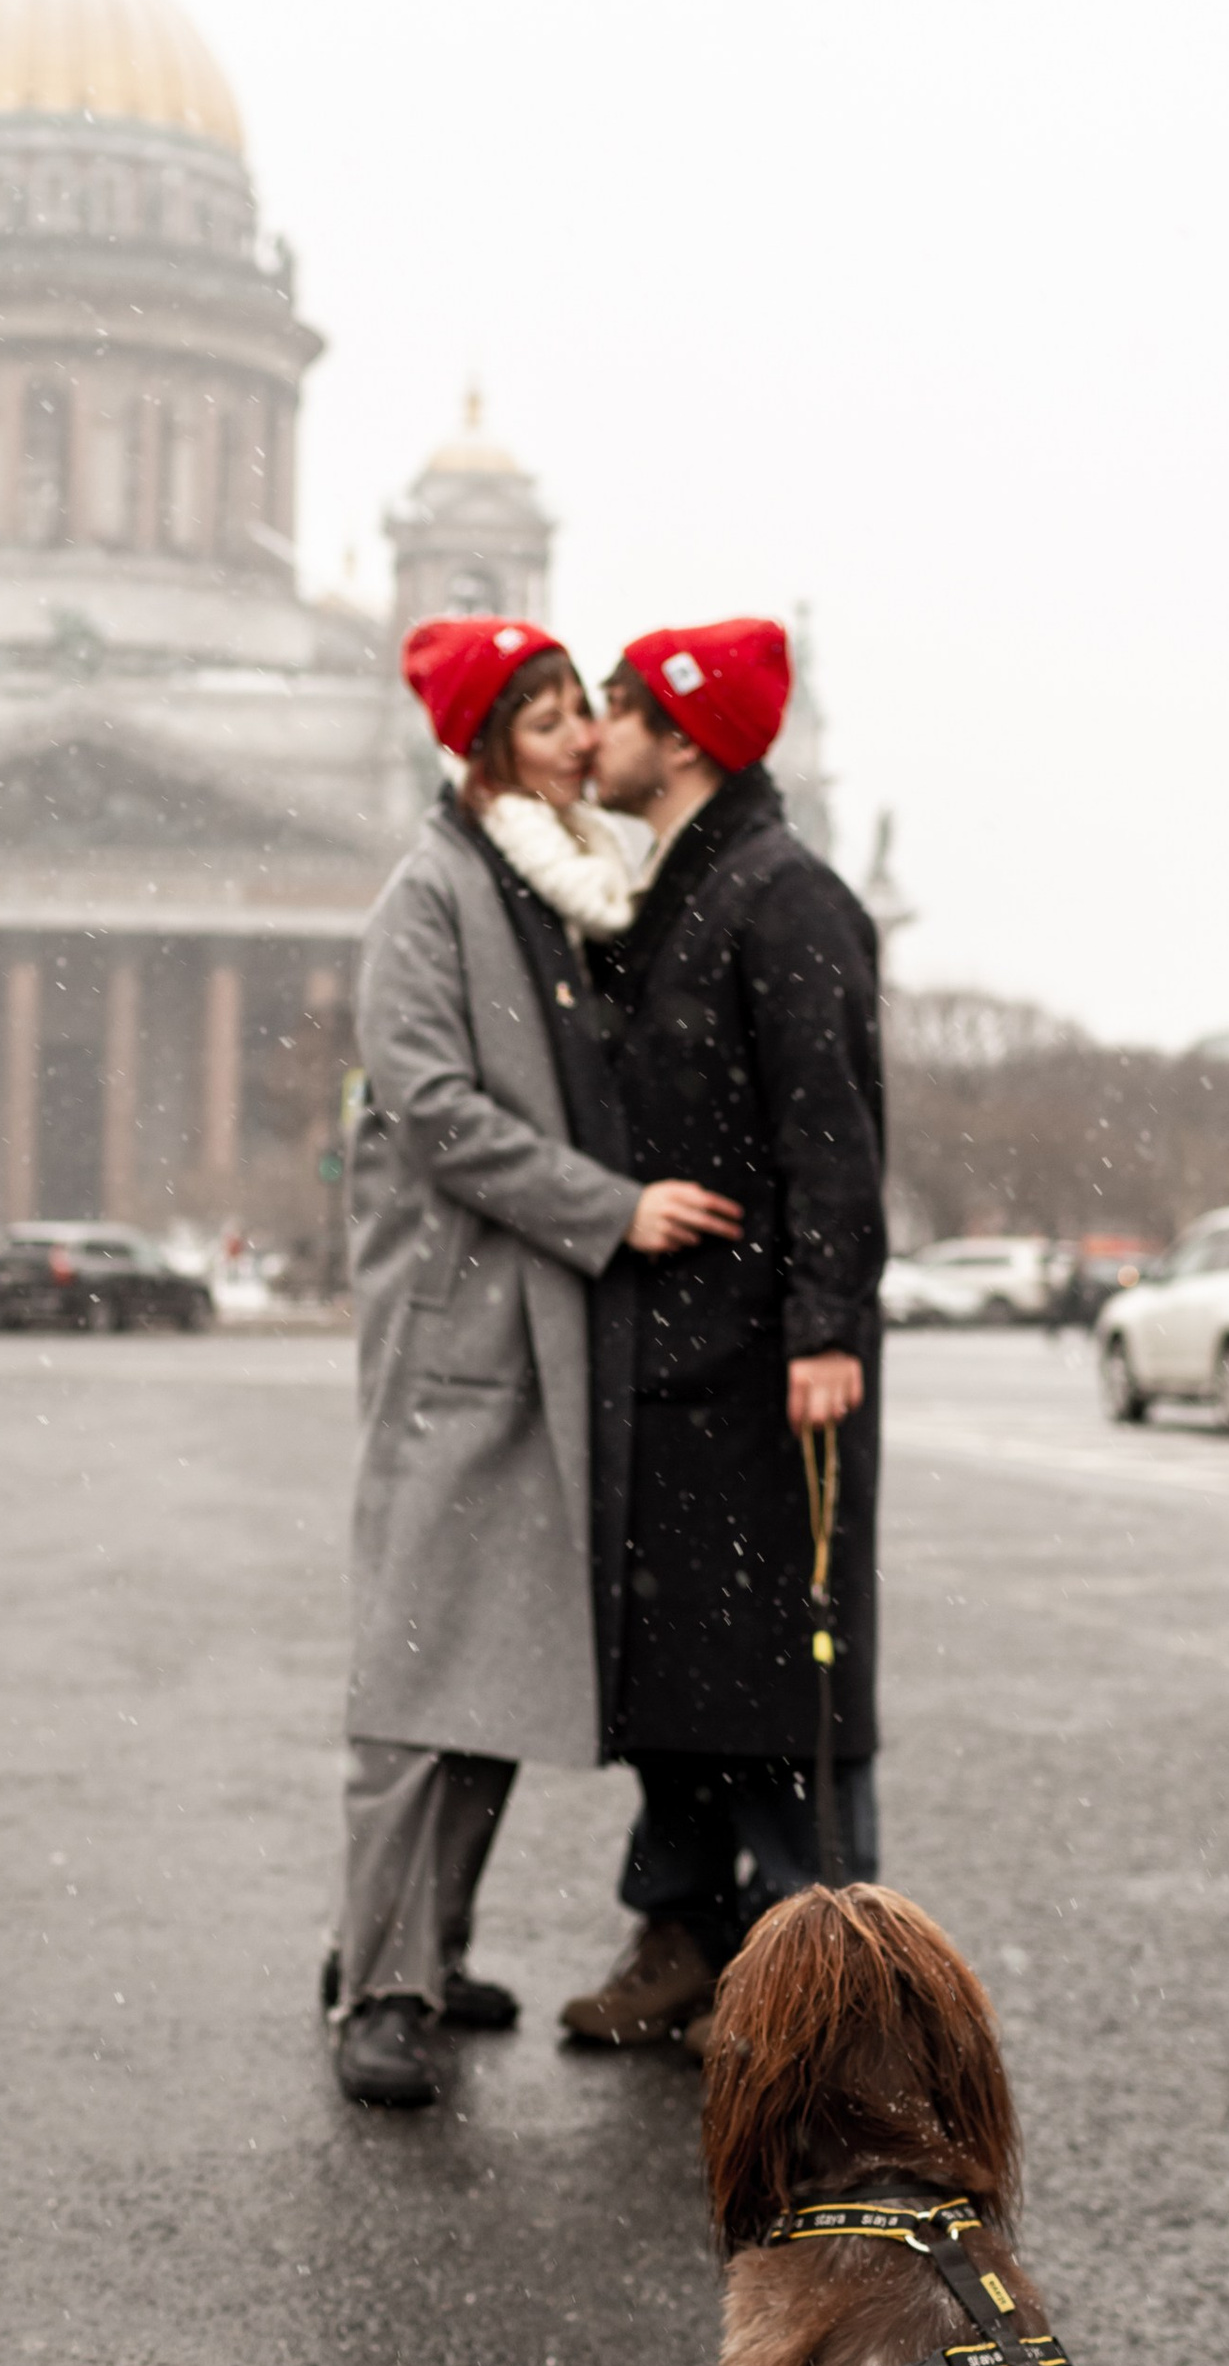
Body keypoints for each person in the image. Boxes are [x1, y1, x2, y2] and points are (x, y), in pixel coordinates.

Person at [336, 614, 742, 2107]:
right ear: (493, 738)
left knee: (494, 1667)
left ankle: (425, 1951)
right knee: (416, 1677)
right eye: (557, 712)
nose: (588, 735)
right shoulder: (434, 892)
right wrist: (612, 1209)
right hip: (466, 1331)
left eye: (586, 709)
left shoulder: (560, 888)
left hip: (546, 1328)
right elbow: (434, 1108)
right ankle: (374, 1983)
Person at [556, 617, 888, 2057]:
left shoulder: (785, 899)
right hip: (681, 1356)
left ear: (682, 737)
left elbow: (834, 1136)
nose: (593, 740)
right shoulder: (674, 891)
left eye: (617, 712)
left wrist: (824, 1325)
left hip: (765, 1359)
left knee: (783, 1669)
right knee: (687, 1660)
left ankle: (823, 1979)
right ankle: (686, 1931)